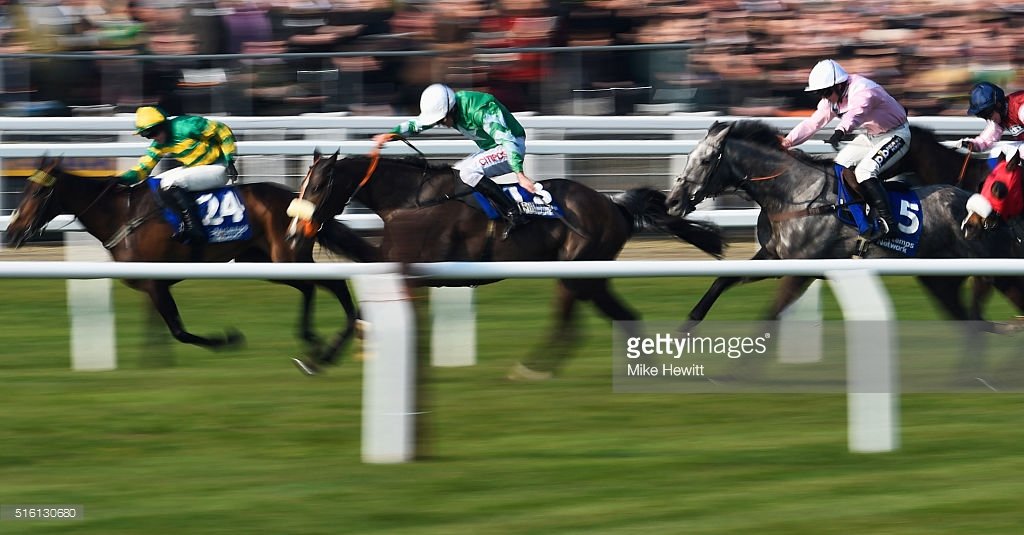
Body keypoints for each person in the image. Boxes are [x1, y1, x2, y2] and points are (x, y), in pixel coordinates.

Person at [373, 83, 537, 238]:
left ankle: (513, 213)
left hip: (510, 147)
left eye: (441, 120)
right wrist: (391, 135)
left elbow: (508, 140)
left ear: (451, 109)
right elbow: (417, 124)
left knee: (468, 172)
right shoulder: (449, 107)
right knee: (456, 174)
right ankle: (482, 218)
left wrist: (520, 174)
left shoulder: (480, 110)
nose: (440, 124)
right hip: (492, 148)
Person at [782, 59, 909, 240]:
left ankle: (890, 224)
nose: (825, 97)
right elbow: (813, 123)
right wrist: (788, 141)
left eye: (826, 92)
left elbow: (856, 113)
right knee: (840, 163)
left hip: (896, 135)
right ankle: (860, 219)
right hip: (872, 136)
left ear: (840, 85)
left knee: (865, 171)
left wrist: (841, 130)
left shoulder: (864, 89)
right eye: (820, 93)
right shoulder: (833, 98)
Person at [119, 106, 239, 255]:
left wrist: (230, 159)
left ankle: (194, 229)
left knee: (171, 184)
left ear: (163, 125)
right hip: (197, 167)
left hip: (219, 167)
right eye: (147, 136)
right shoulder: (159, 144)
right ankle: (179, 222)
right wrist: (120, 180)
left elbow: (222, 130)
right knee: (157, 182)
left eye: (153, 133)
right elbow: (143, 168)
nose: (153, 138)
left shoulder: (188, 125)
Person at [960, 82, 1024, 153]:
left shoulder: (1020, 108)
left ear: (998, 105)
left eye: (988, 114)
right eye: (983, 116)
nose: (989, 118)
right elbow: (985, 141)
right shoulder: (999, 115)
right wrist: (973, 145)